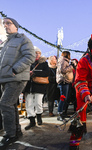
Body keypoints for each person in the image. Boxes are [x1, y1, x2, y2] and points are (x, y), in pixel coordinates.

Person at [0, 17, 35, 149]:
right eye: (4, 24)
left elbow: (30, 55)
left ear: (16, 26)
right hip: (5, 78)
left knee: (5, 103)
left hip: (16, 77)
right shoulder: (5, 43)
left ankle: (10, 134)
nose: (5, 25)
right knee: (11, 105)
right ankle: (16, 131)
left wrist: (16, 69)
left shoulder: (23, 39)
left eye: (8, 23)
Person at [24, 46, 50, 130]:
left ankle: (39, 116)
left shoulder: (44, 63)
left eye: (39, 53)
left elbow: (47, 73)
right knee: (29, 104)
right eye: (35, 53)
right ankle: (32, 121)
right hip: (29, 86)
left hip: (39, 86)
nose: (37, 54)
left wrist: (34, 73)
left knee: (38, 103)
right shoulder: (27, 62)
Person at [56, 51, 74, 121]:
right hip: (63, 81)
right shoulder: (62, 61)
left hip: (66, 81)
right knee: (63, 98)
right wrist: (71, 66)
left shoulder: (65, 61)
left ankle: (63, 113)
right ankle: (60, 114)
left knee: (65, 98)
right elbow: (62, 70)